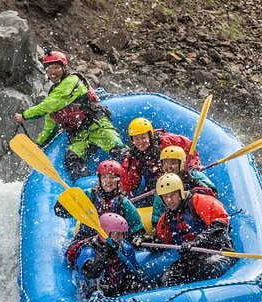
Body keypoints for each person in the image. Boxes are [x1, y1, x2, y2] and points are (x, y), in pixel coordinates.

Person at [13, 49, 127, 181]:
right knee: (72, 157)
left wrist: (24, 116)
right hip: (80, 136)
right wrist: (39, 143)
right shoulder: (53, 94)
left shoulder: (72, 81)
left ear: (63, 68)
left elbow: (48, 105)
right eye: (49, 69)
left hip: (97, 126)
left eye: (56, 67)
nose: (53, 72)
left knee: (118, 150)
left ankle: (135, 176)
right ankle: (86, 188)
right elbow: (50, 125)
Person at [154, 173, 236, 287]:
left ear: (180, 192)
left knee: (209, 267)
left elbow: (220, 226)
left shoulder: (200, 201)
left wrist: (197, 242)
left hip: (219, 250)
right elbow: (162, 241)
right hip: (193, 257)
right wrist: (143, 241)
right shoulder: (166, 219)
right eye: (165, 197)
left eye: (172, 195)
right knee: (166, 279)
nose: (169, 200)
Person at [56, 160, 144, 244]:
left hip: (113, 242)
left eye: (112, 177)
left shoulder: (123, 202)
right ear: (99, 179)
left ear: (118, 180)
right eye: (104, 177)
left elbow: (137, 229)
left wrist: (137, 238)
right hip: (86, 238)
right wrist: (63, 205)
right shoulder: (89, 195)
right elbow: (60, 212)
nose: (108, 181)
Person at [120, 118, 202, 200]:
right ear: (132, 140)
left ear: (150, 136)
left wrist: (191, 168)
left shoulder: (167, 141)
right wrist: (123, 194)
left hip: (179, 179)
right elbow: (129, 180)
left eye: (143, 137)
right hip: (156, 185)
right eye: (136, 139)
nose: (140, 142)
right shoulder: (133, 156)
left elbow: (190, 150)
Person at [72, 213, 146, 298]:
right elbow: (89, 273)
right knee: (95, 292)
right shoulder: (89, 250)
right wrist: (106, 255)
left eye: (122, 234)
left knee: (136, 285)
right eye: (117, 234)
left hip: (117, 288)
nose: (121, 238)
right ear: (106, 233)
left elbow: (135, 272)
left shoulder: (125, 248)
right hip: (94, 292)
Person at [151, 145, 217, 227]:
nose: (168, 167)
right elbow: (156, 218)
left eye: (173, 163)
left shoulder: (193, 174)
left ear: (181, 163)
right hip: (179, 222)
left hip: (199, 215)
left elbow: (213, 193)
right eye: (165, 163)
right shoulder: (164, 184)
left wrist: (193, 181)